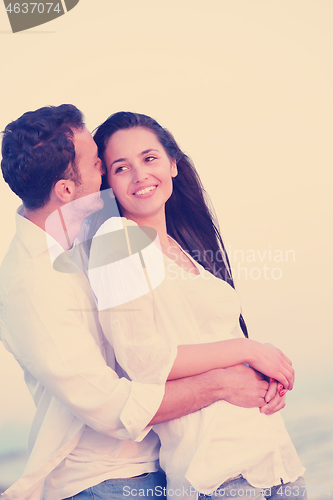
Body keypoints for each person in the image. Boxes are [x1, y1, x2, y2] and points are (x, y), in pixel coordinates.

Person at [0, 105, 275, 500]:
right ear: (65, 190)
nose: (108, 176)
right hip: (104, 483)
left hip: (164, 464)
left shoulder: (95, 239)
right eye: (99, 164)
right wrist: (222, 383)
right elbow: (112, 407)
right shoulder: (30, 286)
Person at [91, 111, 306, 500]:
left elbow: (210, 341)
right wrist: (248, 349)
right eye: (121, 168)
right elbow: (144, 361)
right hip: (218, 477)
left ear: (173, 164)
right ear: (107, 184)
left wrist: (263, 378)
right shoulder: (115, 242)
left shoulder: (185, 249)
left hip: (274, 460)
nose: (140, 174)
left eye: (150, 158)